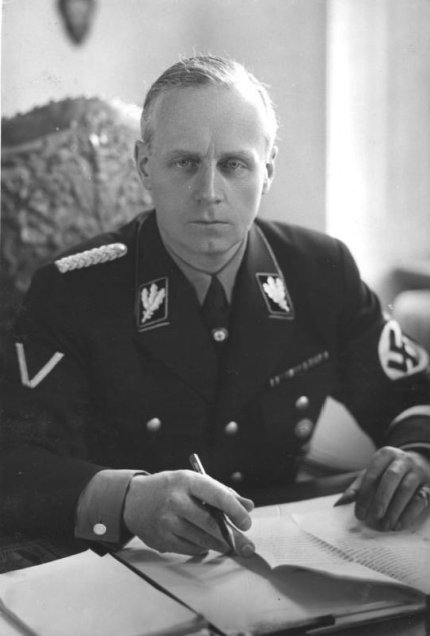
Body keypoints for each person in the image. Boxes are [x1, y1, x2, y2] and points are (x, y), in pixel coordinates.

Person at [1, 55, 430, 559]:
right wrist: (128, 499)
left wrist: (417, 455)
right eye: (185, 162)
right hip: (125, 560)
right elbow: (13, 461)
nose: (208, 193)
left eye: (234, 164)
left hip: (282, 550)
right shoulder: (72, 289)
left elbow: (412, 394)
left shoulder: (320, 269)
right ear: (144, 166)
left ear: (266, 171)